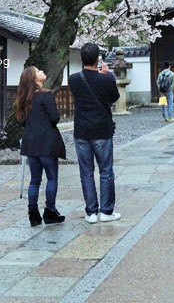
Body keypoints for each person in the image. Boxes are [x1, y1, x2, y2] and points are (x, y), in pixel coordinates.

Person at [68, 42, 122, 223]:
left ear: (81, 58)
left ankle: (91, 212)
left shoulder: (73, 79)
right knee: (106, 171)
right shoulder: (106, 79)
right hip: (102, 130)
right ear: (98, 59)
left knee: (86, 172)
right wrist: (108, 75)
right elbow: (114, 97)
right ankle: (106, 211)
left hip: (82, 131)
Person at [15, 66, 66, 227]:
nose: (42, 72)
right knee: (51, 178)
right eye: (38, 71)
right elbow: (54, 117)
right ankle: (50, 211)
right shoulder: (45, 95)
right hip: (47, 142)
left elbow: (22, 121)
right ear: (34, 79)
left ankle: (33, 213)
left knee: (34, 180)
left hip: (31, 143)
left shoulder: (23, 100)